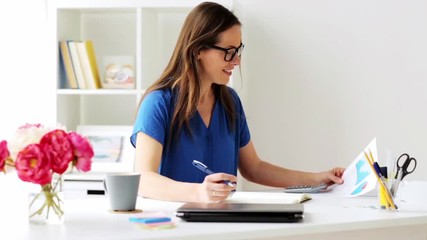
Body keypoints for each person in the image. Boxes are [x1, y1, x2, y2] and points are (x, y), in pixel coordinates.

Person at [131, 1, 344, 203]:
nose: (237, 60)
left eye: (238, 50)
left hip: (226, 221)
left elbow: (254, 168)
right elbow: (143, 179)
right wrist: (199, 192)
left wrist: (317, 178)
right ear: (197, 51)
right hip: (175, 223)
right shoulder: (158, 103)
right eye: (228, 52)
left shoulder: (230, 102)